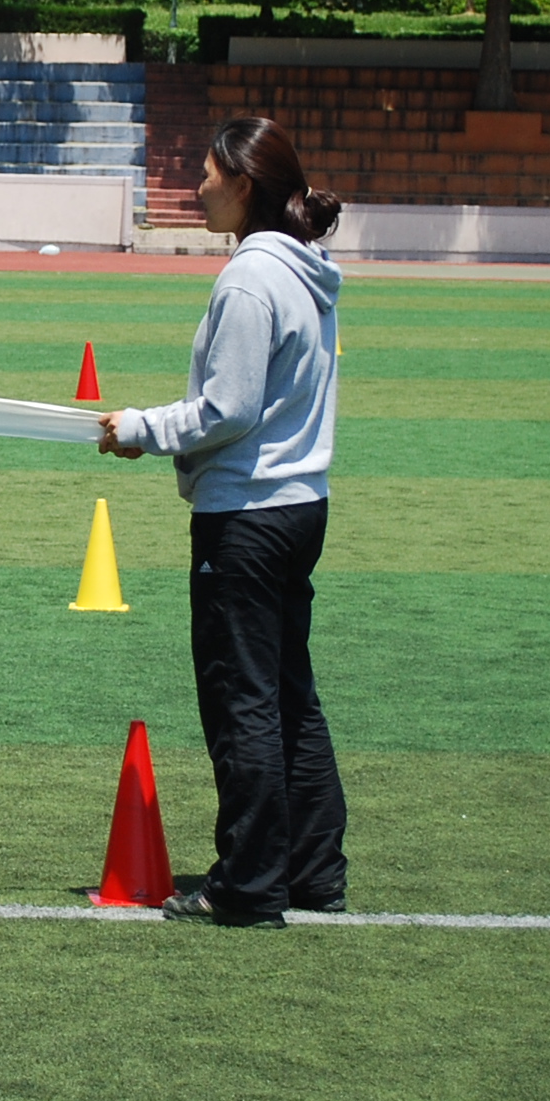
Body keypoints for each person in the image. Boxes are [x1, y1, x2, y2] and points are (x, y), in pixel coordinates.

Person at [99, 115, 348, 929]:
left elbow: (228, 409)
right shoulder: (307, 272)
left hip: (247, 515)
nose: (196, 186)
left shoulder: (250, 280)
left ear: (243, 184)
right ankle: (312, 869)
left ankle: (248, 883)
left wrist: (141, 428)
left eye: (207, 173)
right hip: (300, 505)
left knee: (243, 699)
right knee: (288, 693)